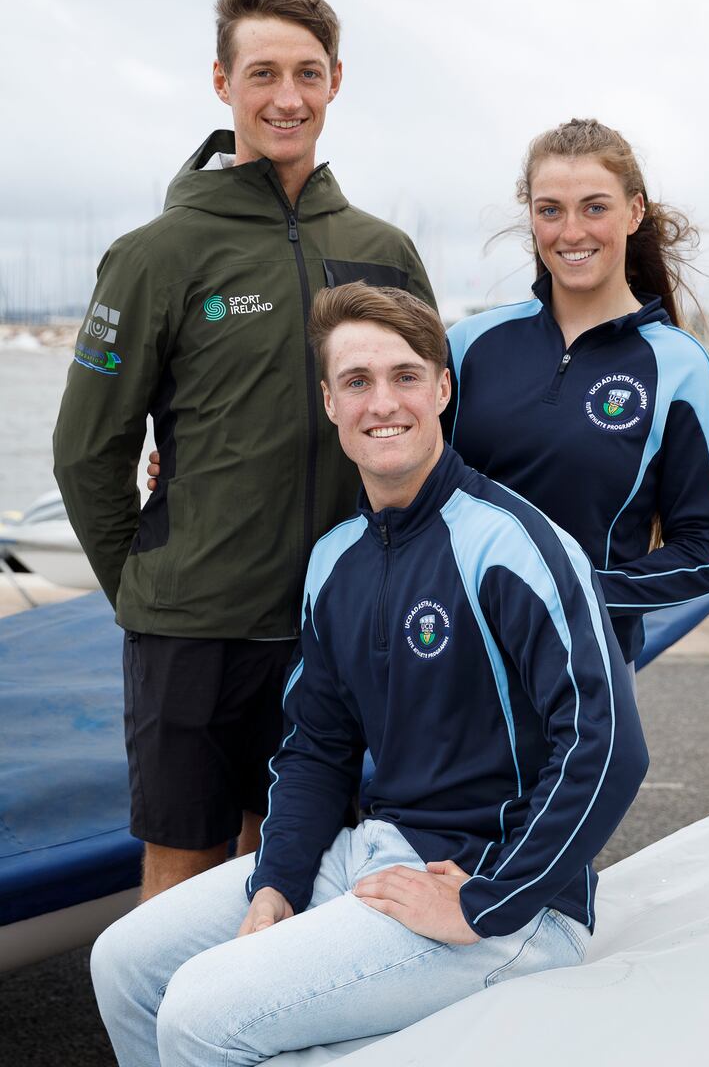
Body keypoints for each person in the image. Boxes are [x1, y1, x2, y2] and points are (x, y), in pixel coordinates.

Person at [91, 283, 648, 1066]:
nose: (382, 402)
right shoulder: (335, 560)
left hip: (504, 895)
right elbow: (316, 746)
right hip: (369, 854)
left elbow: (608, 744)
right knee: (122, 965)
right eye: (357, 381)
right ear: (328, 402)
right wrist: (276, 885)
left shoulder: (515, 547)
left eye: (405, 376)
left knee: (200, 1014)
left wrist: (492, 902)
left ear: (442, 388)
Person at [52, 0, 435, 899]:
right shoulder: (160, 253)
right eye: (262, 72)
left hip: (340, 622)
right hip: (194, 628)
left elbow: (426, 423)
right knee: (183, 875)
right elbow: (86, 450)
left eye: (307, 72)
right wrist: (146, 586)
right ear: (222, 82)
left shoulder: (383, 248)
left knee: (296, 867)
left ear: (337, 81)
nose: (287, 96)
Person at [444, 118, 709, 670]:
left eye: (595, 207)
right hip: (453, 658)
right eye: (550, 209)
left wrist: (572, 597)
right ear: (531, 217)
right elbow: (409, 495)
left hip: (588, 667)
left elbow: (708, 550)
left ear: (634, 212)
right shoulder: (467, 346)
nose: (571, 231)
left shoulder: (680, 366)